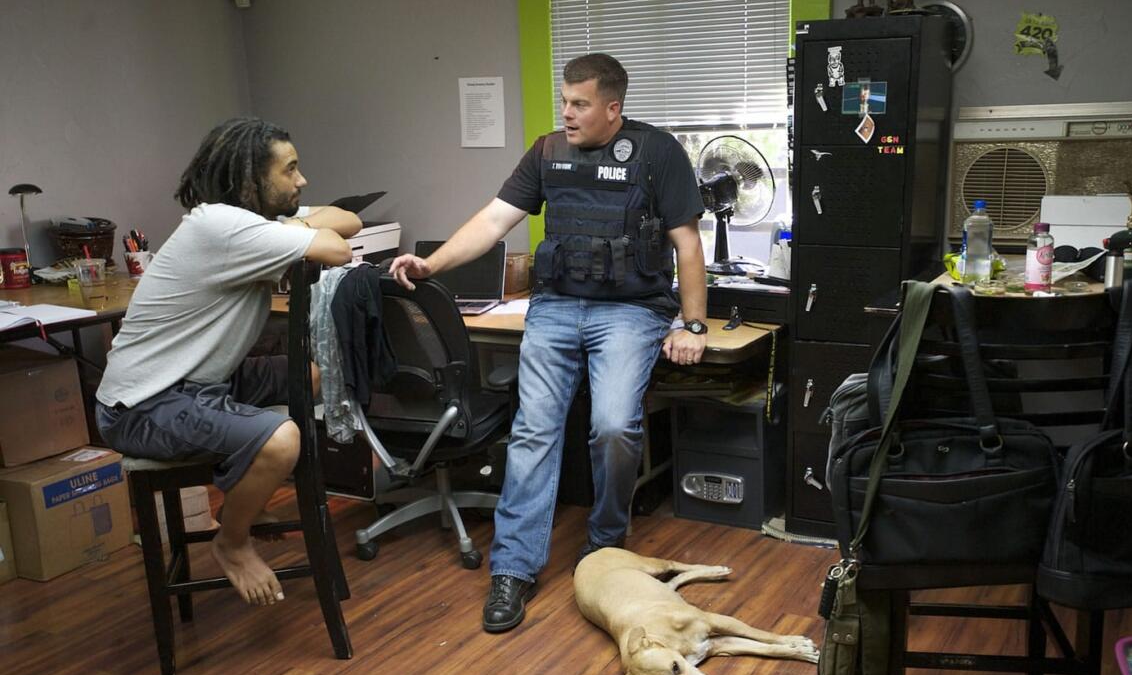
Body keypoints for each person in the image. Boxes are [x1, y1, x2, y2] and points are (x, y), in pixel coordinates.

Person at [388, 53, 706, 633]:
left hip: (632, 311)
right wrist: (430, 264)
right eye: (564, 101)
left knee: (613, 426)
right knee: (534, 428)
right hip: (556, 306)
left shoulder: (658, 153)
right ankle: (513, 567)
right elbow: (492, 221)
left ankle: (606, 543)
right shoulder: (546, 152)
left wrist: (692, 324)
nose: (567, 113)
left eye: (580, 104)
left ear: (614, 108)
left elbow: (687, 244)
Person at [95, 117, 361, 606]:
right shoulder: (221, 226)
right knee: (283, 441)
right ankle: (232, 542)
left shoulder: (245, 223)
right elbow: (337, 247)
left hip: (203, 380)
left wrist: (289, 223)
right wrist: (297, 227)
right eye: (290, 170)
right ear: (250, 180)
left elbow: (350, 218)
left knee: (312, 378)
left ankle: (247, 492)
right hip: (143, 404)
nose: (301, 181)